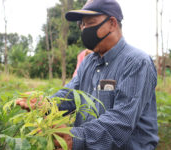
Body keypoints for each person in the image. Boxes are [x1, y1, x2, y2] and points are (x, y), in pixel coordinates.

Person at [17, 0, 159, 149]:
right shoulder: (89, 62)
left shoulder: (136, 62)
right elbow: (72, 93)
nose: (84, 29)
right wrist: (46, 104)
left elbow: (122, 120)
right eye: (82, 25)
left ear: (112, 23)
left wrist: (75, 138)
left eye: (90, 23)